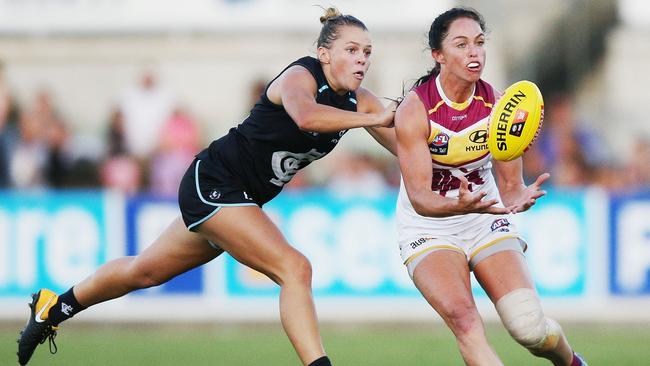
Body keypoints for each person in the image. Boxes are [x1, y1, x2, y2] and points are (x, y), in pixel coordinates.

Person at [17, 7, 396, 366]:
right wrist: (374, 117)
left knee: (144, 272)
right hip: (215, 182)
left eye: (367, 52)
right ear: (324, 53)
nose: (362, 59)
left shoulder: (359, 102)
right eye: (351, 50)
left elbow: (404, 140)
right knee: (295, 268)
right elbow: (305, 114)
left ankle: (54, 307)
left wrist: (441, 152)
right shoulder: (302, 76)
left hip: (239, 199)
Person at [393, 8, 587, 366]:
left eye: (480, 43)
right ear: (438, 55)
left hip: (484, 219)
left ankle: (574, 362)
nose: (474, 52)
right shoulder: (414, 109)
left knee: (530, 327)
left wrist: (518, 194)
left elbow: (510, 186)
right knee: (465, 320)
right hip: (429, 227)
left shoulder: (501, 105)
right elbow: (420, 197)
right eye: (462, 44)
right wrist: (460, 205)